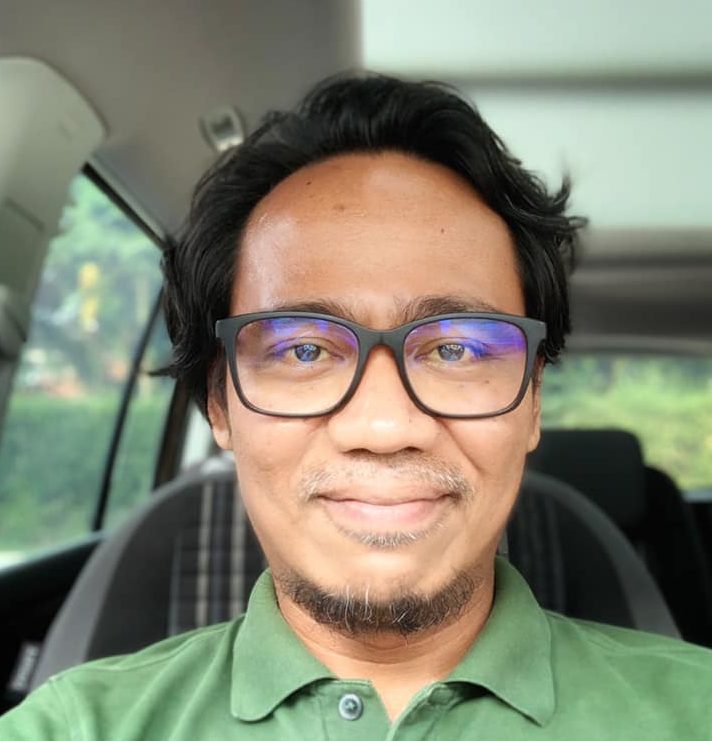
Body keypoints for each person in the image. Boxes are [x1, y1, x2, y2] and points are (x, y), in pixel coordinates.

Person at [2, 73, 711, 740]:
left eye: (456, 348)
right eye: (303, 350)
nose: (384, 426)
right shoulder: (74, 726)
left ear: (531, 404)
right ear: (219, 404)